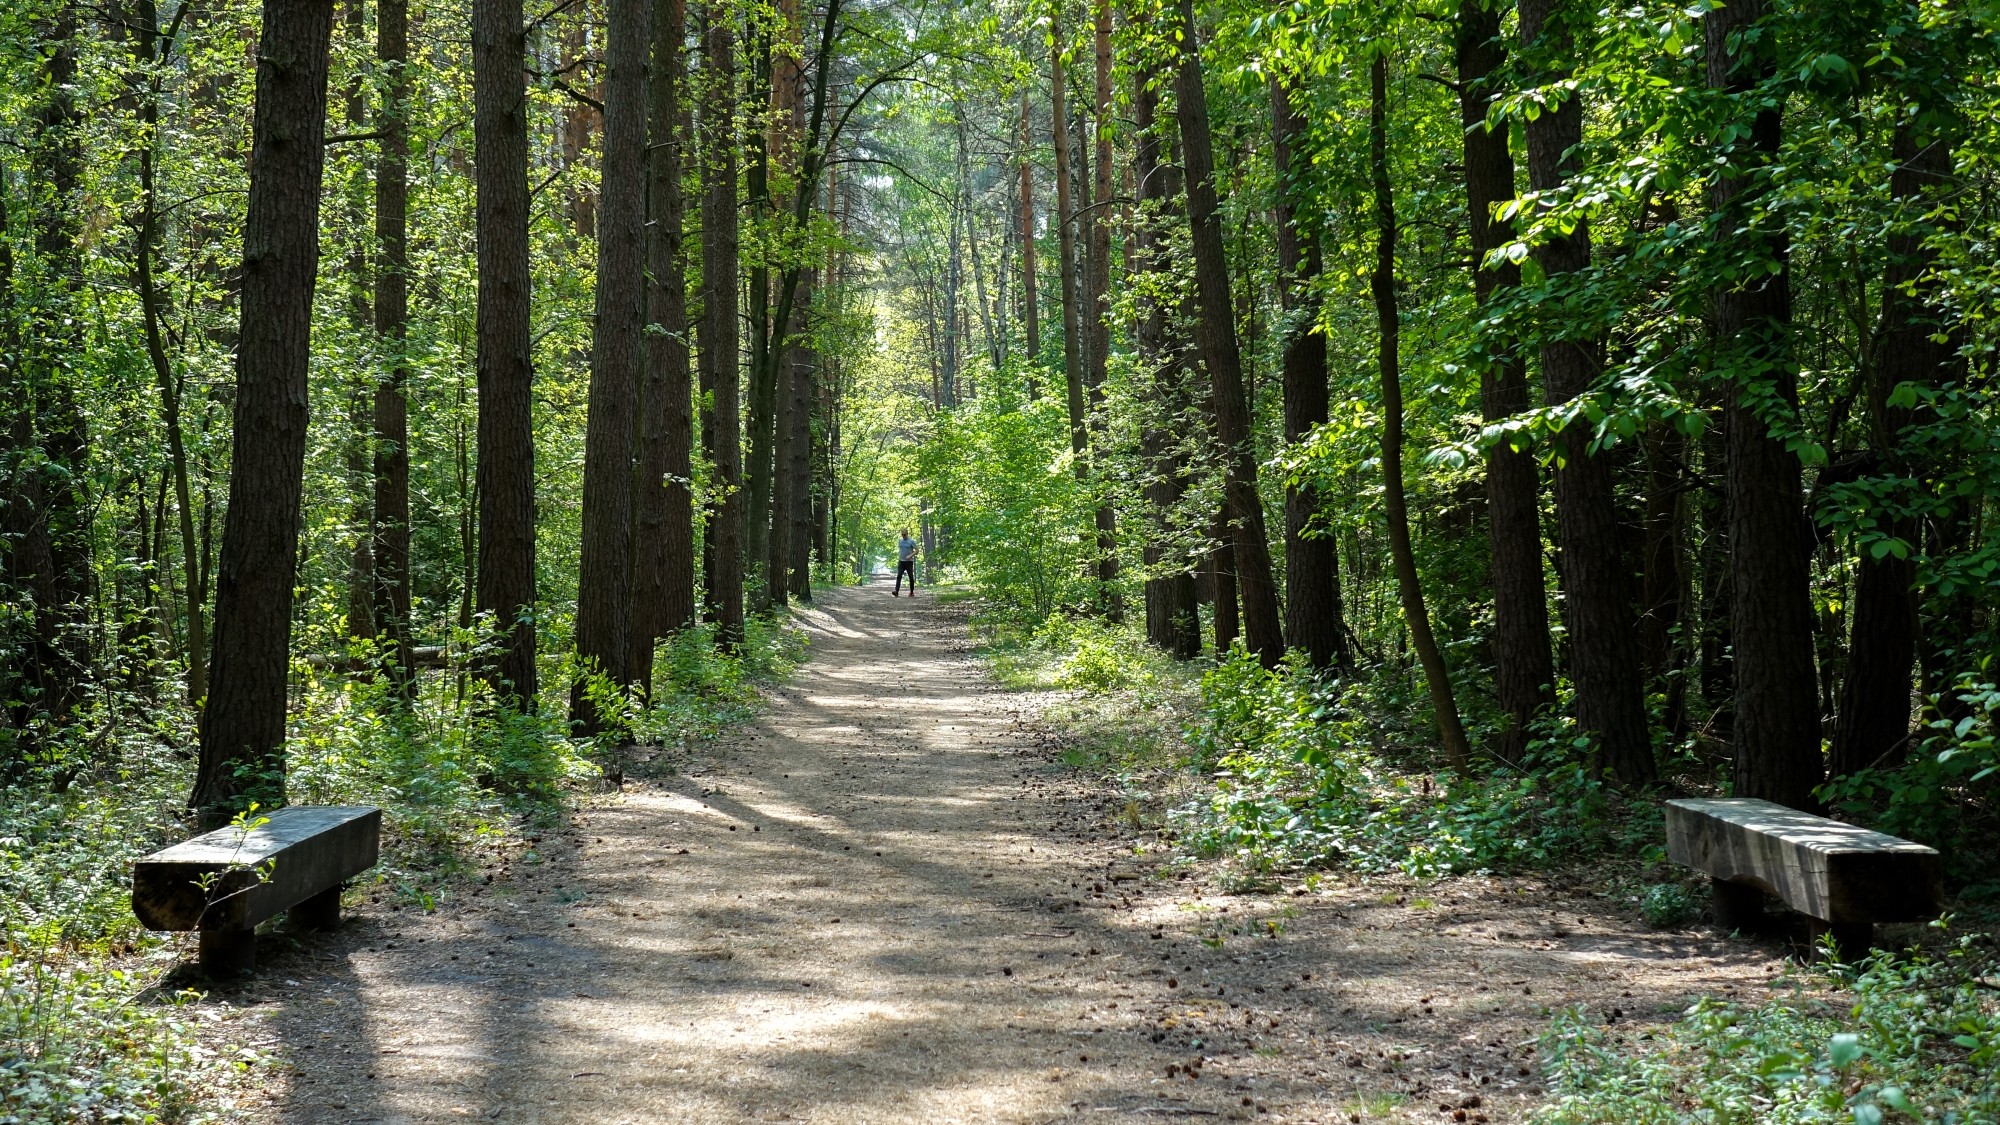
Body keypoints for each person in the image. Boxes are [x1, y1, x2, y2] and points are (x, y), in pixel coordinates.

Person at [893, 528, 918, 596]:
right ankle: (896, 591)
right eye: (902, 535)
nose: (903, 536)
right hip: (901, 561)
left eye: (904, 534)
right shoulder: (900, 541)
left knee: (911, 577)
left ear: (907, 534)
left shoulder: (911, 541)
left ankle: (911, 592)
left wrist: (910, 555)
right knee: (899, 575)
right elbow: (901, 549)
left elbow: (917, 550)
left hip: (909, 562)